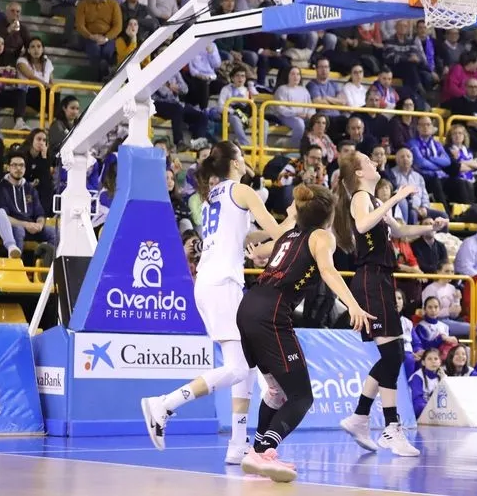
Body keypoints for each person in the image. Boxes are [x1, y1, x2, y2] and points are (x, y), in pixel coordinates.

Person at [140, 141, 286, 464]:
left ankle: (237, 443)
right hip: (222, 284)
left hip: (210, 283)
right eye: (242, 156)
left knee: (246, 365)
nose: (246, 160)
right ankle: (164, 404)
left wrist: (262, 242)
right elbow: (277, 231)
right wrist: (293, 222)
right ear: (234, 163)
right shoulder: (242, 191)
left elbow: (242, 238)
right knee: (238, 367)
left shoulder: (212, 197)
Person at [236, 184, 374, 483]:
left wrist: (257, 253)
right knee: (301, 396)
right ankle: (265, 451)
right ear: (329, 215)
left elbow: (261, 253)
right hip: (271, 314)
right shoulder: (322, 236)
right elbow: (328, 271)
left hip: (248, 307)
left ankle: (257, 449)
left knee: (276, 391)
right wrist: (353, 305)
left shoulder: (287, 235)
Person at [333, 151, 447, 457]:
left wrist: (429, 229)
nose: (374, 163)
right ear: (359, 173)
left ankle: (360, 417)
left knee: (393, 354)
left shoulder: (373, 201)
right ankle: (390, 427)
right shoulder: (360, 198)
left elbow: (399, 231)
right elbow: (361, 226)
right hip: (370, 279)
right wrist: (395, 197)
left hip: (382, 279)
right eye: (368, 161)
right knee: (392, 354)